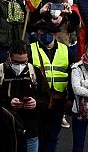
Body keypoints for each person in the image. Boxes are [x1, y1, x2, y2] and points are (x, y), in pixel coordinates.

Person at [0, 40, 49, 152]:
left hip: (30, 130)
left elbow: (46, 98)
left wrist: (36, 103)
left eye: (24, 62)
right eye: (16, 62)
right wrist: (8, 103)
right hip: (5, 131)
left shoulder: (35, 72)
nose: (20, 66)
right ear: (9, 56)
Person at [29, 21, 72, 152]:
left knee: (53, 134)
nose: (44, 36)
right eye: (41, 34)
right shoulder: (31, 49)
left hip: (59, 98)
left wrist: (70, 97)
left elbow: (71, 73)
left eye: (47, 34)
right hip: (39, 99)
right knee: (40, 134)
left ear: (54, 34)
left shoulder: (65, 50)